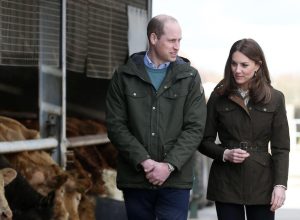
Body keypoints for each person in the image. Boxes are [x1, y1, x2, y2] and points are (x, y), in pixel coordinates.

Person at [106, 14, 206, 220]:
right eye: (171, 40)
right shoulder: (124, 76)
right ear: (153, 38)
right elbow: (116, 126)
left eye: (179, 40)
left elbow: (195, 127)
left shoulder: (189, 77)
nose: (177, 46)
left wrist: (168, 166)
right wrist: (145, 162)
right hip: (136, 179)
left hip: (176, 179)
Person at [198, 38, 290, 220]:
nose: (237, 70)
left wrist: (280, 185)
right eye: (233, 64)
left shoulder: (275, 98)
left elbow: (281, 148)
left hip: (262, 182)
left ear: (258, 65)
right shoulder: (219, 96)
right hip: (226, 182)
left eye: (244, 65)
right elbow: (203, 141)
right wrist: (225, 154)